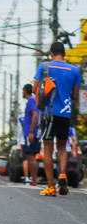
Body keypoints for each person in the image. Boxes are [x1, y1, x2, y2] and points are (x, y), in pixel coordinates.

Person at [33, 41, 81, 196]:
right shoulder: (74, 70)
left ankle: (51, 186)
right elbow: (75, 95)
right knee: (62, 146)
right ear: (64, 54)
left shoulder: (44, 66)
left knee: (48, 149)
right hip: (65, 113)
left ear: (51, 54)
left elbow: (35, 89)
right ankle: (62, 174)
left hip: (48, 112)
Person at [21, 83, 39, 186]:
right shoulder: (31, 101)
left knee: (31, 156)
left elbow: (35, 115)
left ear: (25, 91)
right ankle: (33, 180)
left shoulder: (31, 100)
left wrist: (31, 132)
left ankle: (34, 180)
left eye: (23, 90)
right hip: (30, 132)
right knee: (30, 156)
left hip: (31, 132)